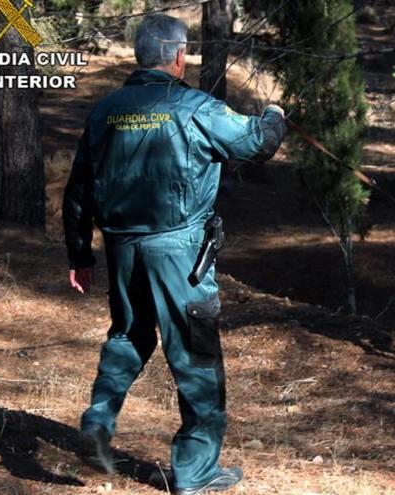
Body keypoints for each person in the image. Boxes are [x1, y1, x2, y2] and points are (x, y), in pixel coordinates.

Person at [62, 14, 286, 495]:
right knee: (197, 357)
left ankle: (99, 419)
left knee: (128, 334)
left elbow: (78, 188)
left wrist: (80, 253)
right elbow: (257, 144)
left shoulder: (105, 111)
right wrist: (275, 116)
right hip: (179, 253)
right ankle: (195, 473)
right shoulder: (195, 107)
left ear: (141, 55)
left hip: (121, 247)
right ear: (180, 56)